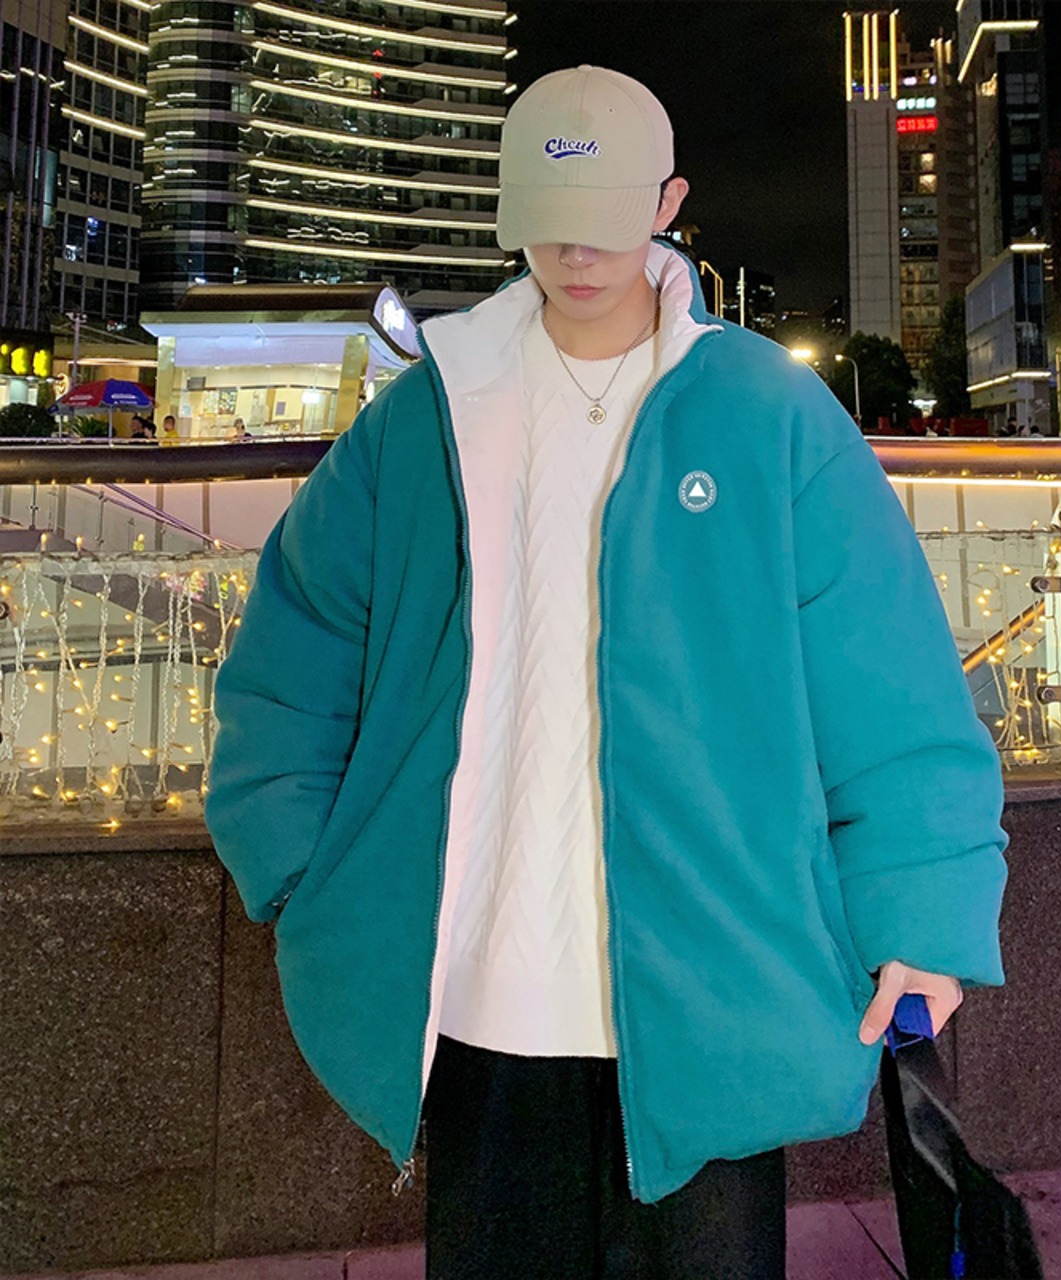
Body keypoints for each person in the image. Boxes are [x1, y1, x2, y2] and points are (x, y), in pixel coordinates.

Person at [205, 65, 1009, 1280]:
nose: (576, 251)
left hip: (716, 979)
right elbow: (296, 643)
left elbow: (883, 681)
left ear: (668, 202)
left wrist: (923, 916)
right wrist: (301, 865)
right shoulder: (427, 416)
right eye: (549, 218)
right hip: (474, 986)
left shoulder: (768, 412)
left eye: (607, 215)